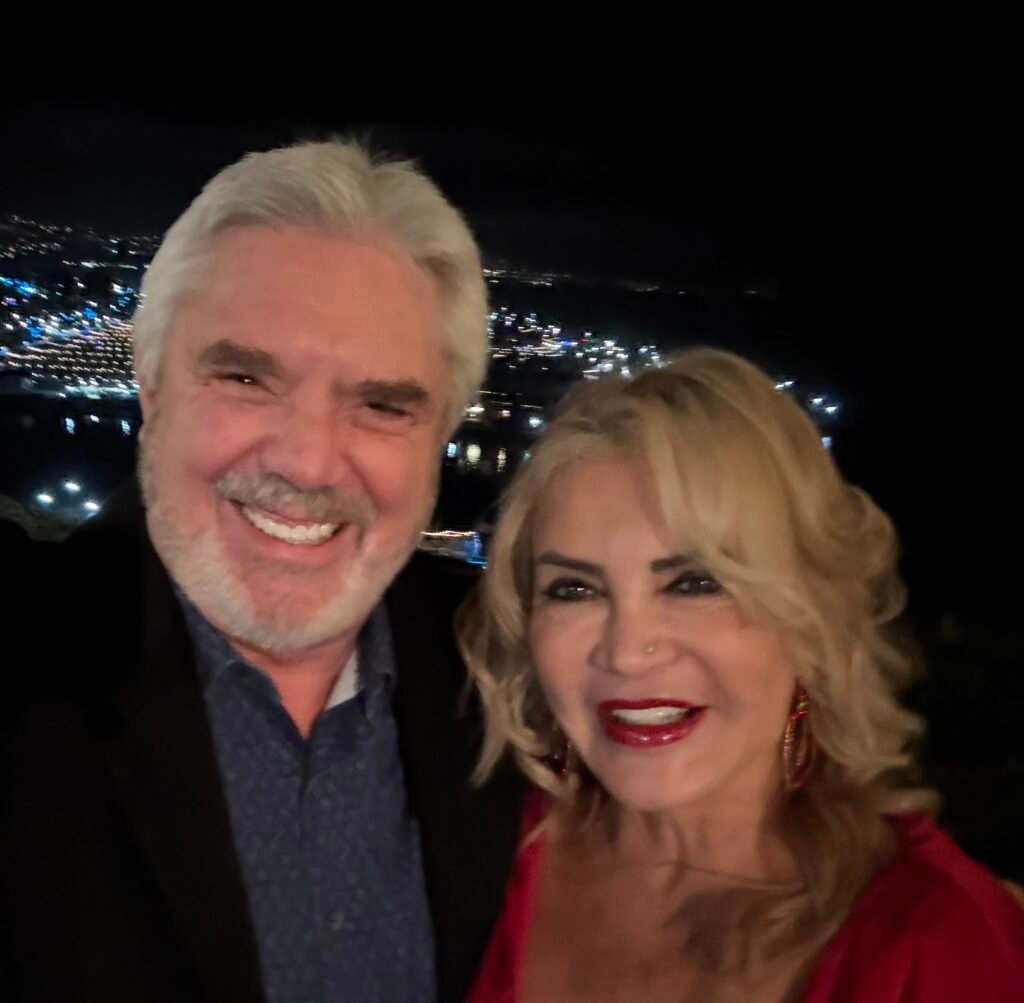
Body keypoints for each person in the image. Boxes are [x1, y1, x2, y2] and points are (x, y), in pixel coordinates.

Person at [1, 140, 524, 1003]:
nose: (308, 461)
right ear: (152, 387)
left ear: (439, 435)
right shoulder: (30, 673)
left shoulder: (509, 675)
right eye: (246, 377)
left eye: (381, 404)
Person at [459, 348, 1024, 1002]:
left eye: (695, 583)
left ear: (810, 616)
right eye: (574, 589)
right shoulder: (470, 847)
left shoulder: (941, 950)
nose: (628, 651)